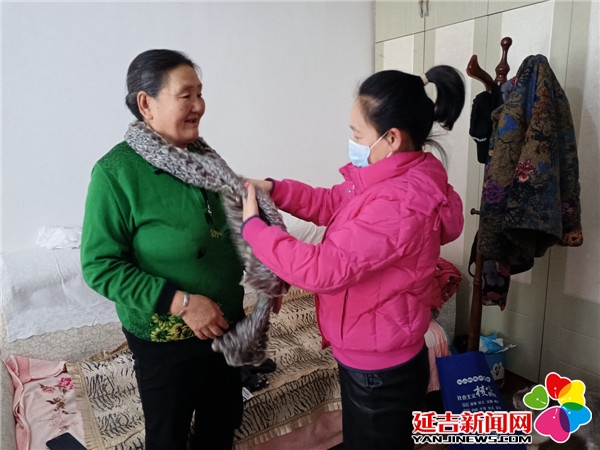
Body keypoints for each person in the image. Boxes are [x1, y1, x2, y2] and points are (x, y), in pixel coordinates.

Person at [241, 67, 465, 449]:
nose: (353, 142)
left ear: (391, 138)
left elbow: (321, 269)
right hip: (371, 352)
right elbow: (332, 202)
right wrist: (276, 190)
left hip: (380, 368)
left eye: (357, 134)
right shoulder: (387, 177)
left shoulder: (399, 202)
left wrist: (254, 230)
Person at [81, 49, 245, 450]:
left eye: (200, 94)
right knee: (168, 436)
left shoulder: (206, 159)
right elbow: (100, 266)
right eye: (186, 95)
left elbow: (234, 224)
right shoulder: (116, 173)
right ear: (146, 104)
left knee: (222, 424)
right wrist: (183, 303)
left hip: (228, 323)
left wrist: (270, 268)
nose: (199, 106)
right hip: (167, 341)